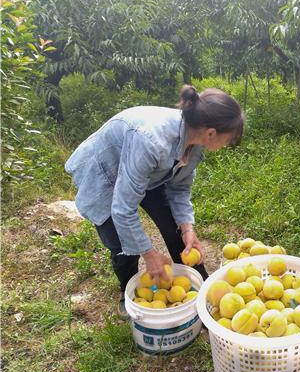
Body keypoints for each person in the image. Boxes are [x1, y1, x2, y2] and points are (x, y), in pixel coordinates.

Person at [65, 85, 244, 317]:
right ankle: (127, 291)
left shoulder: (195, 144)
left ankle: (202, 286)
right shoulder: (151, 140)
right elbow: (123, 208)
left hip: (150, 171)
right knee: (120, 243)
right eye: (227, 140)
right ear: (211, 133)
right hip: (106, 170)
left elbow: (179, 187)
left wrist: (188, 227)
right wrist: (149, 254)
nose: (225, 146)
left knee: (175, 227)